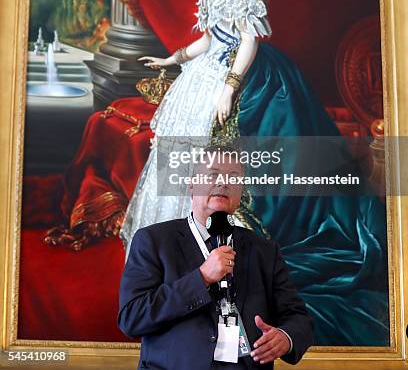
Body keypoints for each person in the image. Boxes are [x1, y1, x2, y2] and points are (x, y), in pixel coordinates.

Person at [120, 0, 389, 346]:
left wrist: (229, 86)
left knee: (234, 165)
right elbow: (210, 38)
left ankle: (230, 254)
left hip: (248, 78)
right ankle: (190, 255)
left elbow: (248, 42)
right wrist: (172, 59)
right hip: (208, 72)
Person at [118, 149, 313, 369]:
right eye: (212, 175)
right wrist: (201, 278)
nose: (223, 183)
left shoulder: (264, 250)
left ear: (241, 193)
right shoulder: (154, 240)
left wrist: (285, 338)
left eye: (233, 177)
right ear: (192, 184)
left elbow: (299, 318)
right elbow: (132, 317)